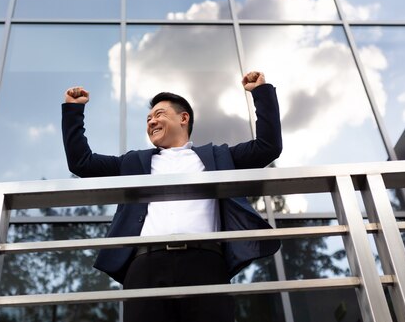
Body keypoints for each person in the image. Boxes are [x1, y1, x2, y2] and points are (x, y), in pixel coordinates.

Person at [62, 71, 282, 322]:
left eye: (159, 114)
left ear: (183, 118)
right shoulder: (134, 162)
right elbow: (82, 163)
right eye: (148, 119)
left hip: (206, 263)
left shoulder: (217, 156)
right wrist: (73, 111)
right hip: (145, 266)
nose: (151, 122)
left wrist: (260, 93)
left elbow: (268, 147)